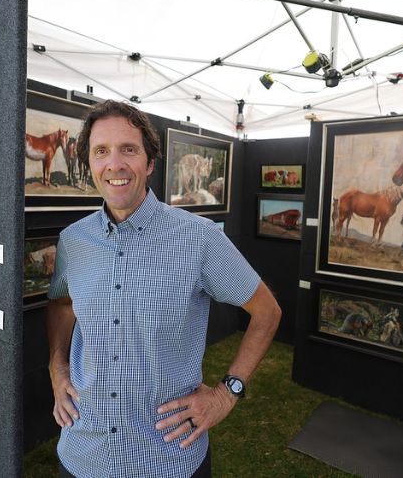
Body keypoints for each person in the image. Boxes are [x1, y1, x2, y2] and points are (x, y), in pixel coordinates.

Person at [46, 100, 281, 478]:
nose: (115, 164)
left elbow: (267, 312)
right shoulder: (73, 241)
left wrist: (226, 394)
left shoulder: (199, 238)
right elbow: (61, 305)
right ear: (89, 165)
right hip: (82, 454)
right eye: (101, 151)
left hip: (167, 459)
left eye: (129, 149)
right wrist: (57, 367)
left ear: (150, 163)